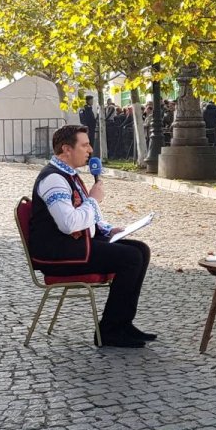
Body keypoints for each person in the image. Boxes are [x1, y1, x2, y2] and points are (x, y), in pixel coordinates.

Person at [28, 125, 153, 348]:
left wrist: (107, 229)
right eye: (84, 145)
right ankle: (109, 330)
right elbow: (69, 223)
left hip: (75, 244)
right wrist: (94, 200)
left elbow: (82, 214)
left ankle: (123, 323)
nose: (90, 149)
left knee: (140, 250)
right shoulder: (53, 179)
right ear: (66, 149)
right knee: (130, 258)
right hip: (59, 253)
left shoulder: (69, 175)